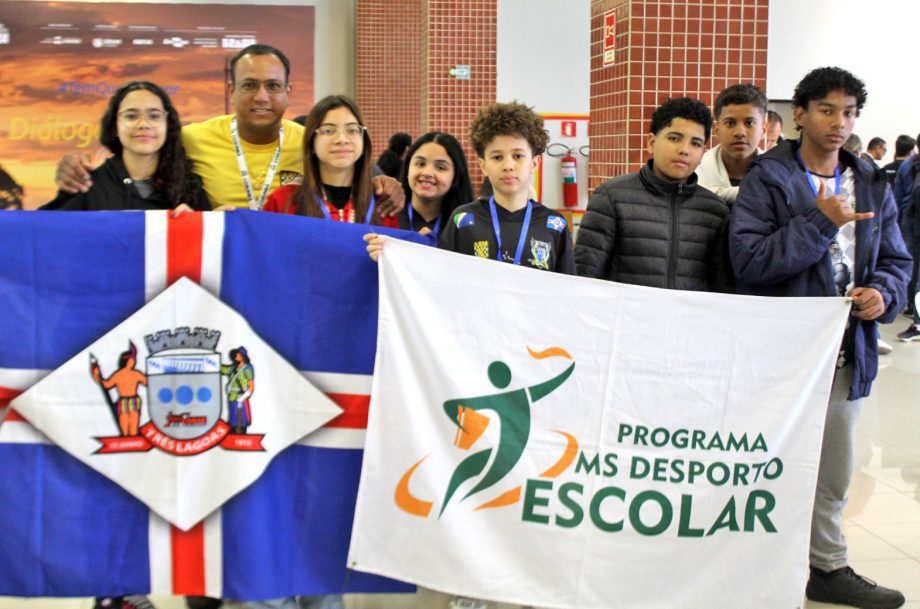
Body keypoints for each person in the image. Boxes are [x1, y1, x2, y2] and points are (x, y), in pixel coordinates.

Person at [730, 66, 910, 609]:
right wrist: (820, 222)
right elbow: (750, 262)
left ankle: (827, 567)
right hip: (781, 355)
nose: (839, 123)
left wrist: (883, 293)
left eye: (849, 112)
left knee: (833, 469)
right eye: (827, 110)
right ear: (801, 115)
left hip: (846, 350)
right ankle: (748, 568)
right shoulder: (768, 178)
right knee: (764, 466)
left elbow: (896, 260)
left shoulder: (870, 180)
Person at [53, 45, 404, 215]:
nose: (261, 97)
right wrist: (74, 164)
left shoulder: (311, 142)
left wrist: (389, 184)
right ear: (231, 90)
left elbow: (363, 174)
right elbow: (136, 152)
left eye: (273, 86)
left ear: (288, 91)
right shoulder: (191, 138)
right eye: (249, 85)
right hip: (213, 273)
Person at [575, 97, 730, 292]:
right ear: (651, 142)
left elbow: (721, 289)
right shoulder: (612, 197)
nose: (684, 150)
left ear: (702, 153)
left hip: (688, 313)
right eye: (674, 138)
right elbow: (584, 276)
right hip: (624, 312)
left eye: (696, 143)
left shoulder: (715, 211)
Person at [436, 101, 574, 274]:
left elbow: (567, 287)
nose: (508, 166)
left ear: (534, 162)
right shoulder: (462, 219)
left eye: (518, 156)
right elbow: (444, 280)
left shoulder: (554, 225)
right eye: (497, 157)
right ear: (483, 166)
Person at [41, 80, 209, 212]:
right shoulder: (87, 184)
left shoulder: (190, 185)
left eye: (154, 116)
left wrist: (194, 224)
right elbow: (42, 232)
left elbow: (211, 238)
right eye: (131, 116)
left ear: (168, 124)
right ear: (115, 126)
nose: (143, 124)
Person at [263, 94, 382, 226]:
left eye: (352, 130)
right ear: (312, 143)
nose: (341, 139)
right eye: (328, 131)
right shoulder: (283, 201)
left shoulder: (384, 205)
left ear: (364, 141)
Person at [389, 131, 474, 236]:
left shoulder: (465, 223)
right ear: (407, 169)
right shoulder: (388, 214)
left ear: (455, 177)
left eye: (440, 167)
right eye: (420, 164)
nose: (427, 173)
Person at [697, 83, 767, 204]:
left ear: (763, 130)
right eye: (730, 123)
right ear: (717, 130)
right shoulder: (693, 176)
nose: (740, 133)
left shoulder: (778, 179)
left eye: (749, 123)